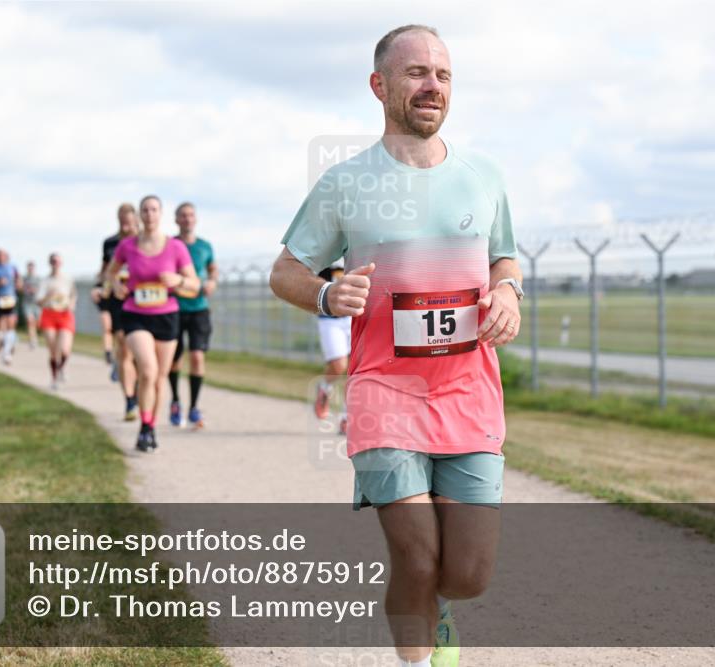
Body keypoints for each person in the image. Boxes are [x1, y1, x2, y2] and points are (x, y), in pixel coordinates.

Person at [269, 25, 523, 667]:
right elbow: (286, 270)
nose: (432, 85)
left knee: (466, 574)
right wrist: (328, 295)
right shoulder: (347, 183)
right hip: (386, 393)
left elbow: (504, 260)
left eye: (442, 74)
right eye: (415, 73)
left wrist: (510, 294)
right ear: (380, 85)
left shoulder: (483, 176)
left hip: (469, 393)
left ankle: (438, 609)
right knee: (416, 554)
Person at [105, 195, 199, 452]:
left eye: (154, 210)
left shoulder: (175, 248)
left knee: (158, 378)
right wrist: (116, 285)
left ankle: (149, 425)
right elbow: (111, 273)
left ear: (160, 214)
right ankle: (145, 426)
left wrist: (177, 280)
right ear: (139, 215)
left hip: (167, 315)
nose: (149, 214)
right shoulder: (127, 246)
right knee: (147, 370)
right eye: (144, 210)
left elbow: (194, 284)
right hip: (135, 313)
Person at [168, 202, 218, 429]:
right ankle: (176, 401)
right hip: (174, 308)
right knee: (174, 359)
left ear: (195, 219)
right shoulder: (171, 245)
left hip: (199, 307)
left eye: (190, 215)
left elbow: (212, 269)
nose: (187, 219)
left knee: (197, 357)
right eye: (183, 216)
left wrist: (211, 282)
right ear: (176, 220)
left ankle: (194, 407)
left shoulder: (204, 246)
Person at [97, 204, 140, 419]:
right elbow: (105, 271)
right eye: (122, 218)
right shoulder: (110, 243)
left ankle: (140, 383)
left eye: (129, 219)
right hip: (118, 300)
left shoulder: (145, 242)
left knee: (140, 353)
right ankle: (130, 400)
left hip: (142, 299)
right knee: (124, 347)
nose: (126, 223)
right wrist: (100, 287)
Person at [314, 264, 351, 435]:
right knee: (338, 365)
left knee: (356, 371)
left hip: (355, 315)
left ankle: (347, 418)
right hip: (330, 318)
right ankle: (324, 388)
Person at [37, 253, 77, 390]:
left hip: (65, 313)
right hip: (49, 313)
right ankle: (54, 379)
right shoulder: (45, 281)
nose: (55, 263)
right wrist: (48, 296)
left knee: (65, 349)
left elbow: (73, 295)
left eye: (58, 261)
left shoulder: (67, 279)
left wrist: (71, 304)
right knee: (53, 350)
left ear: (61, 263)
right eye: (53, 261)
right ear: (50, 263)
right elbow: (39, 301)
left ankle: (61, 368)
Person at [0, 249, 21, 364]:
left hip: (10, 299)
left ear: (6, 256)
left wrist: (19, 284)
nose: (0, 257)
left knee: (10, 324)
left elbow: (19, 281)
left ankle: (6, 353)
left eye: (2, 255)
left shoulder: (12, 268)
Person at [21, 260, 42, 349]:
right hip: (27, 303)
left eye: (32, 267)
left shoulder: (38, 279)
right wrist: (25, 289)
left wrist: (35, 290)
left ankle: (35, 336)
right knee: (30, 321)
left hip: (37, 303)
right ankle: (32, 340)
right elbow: (21, 288)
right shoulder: (24, 278)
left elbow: (42, 290)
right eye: (29, 267)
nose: (30, 269)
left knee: (37, 323)